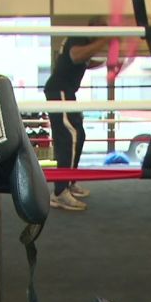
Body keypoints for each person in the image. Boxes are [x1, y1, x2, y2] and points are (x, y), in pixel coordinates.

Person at [43, 17, 111, 211]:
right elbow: (75, 56)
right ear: (92, 29)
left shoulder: (82, 42)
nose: (102, 36)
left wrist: (107, 63)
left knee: (78, 135)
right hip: (59, 91)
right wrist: (105, 41)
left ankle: (69, 182)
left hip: (66, 92)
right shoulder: (79, 36)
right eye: (101, 31)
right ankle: (59, 193)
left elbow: (83, 62)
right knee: (69, 136)